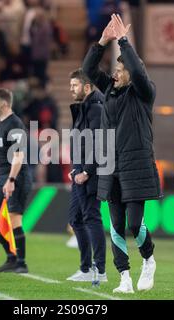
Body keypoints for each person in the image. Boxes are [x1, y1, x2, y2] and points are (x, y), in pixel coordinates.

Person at [82, 14, 161, 293]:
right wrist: (103, 41)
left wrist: (124, 41)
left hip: (135, 166)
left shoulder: (143, 92)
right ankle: (124, 277)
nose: (116, 73)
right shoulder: (110, 91)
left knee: (134, 223)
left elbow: (138, 72)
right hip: (110, 167)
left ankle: (148, 259)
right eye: (116, 68)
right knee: (115, 225)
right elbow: (88, 69)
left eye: (120, 69)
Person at [65, 69, 107, 282]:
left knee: (91, 217)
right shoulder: (86, 107)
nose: (71, 89)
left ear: (87, 87)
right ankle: (86, 268)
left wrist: (87, 171)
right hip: (80, 171)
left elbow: (100, 143)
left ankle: (100, 270)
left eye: (74, 85)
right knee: (76, 218)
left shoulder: (96, 108)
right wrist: (76, 167)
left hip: (91, 173)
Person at [0, 88, 32, 273]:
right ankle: (11, 257)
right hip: (4, 176)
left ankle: (22, 263)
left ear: (4, 104)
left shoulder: (15, 125)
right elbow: (4, 155)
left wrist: (11, 179)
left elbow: (18, 156)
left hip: (17, 177)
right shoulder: (1, 125)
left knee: (15, 220)